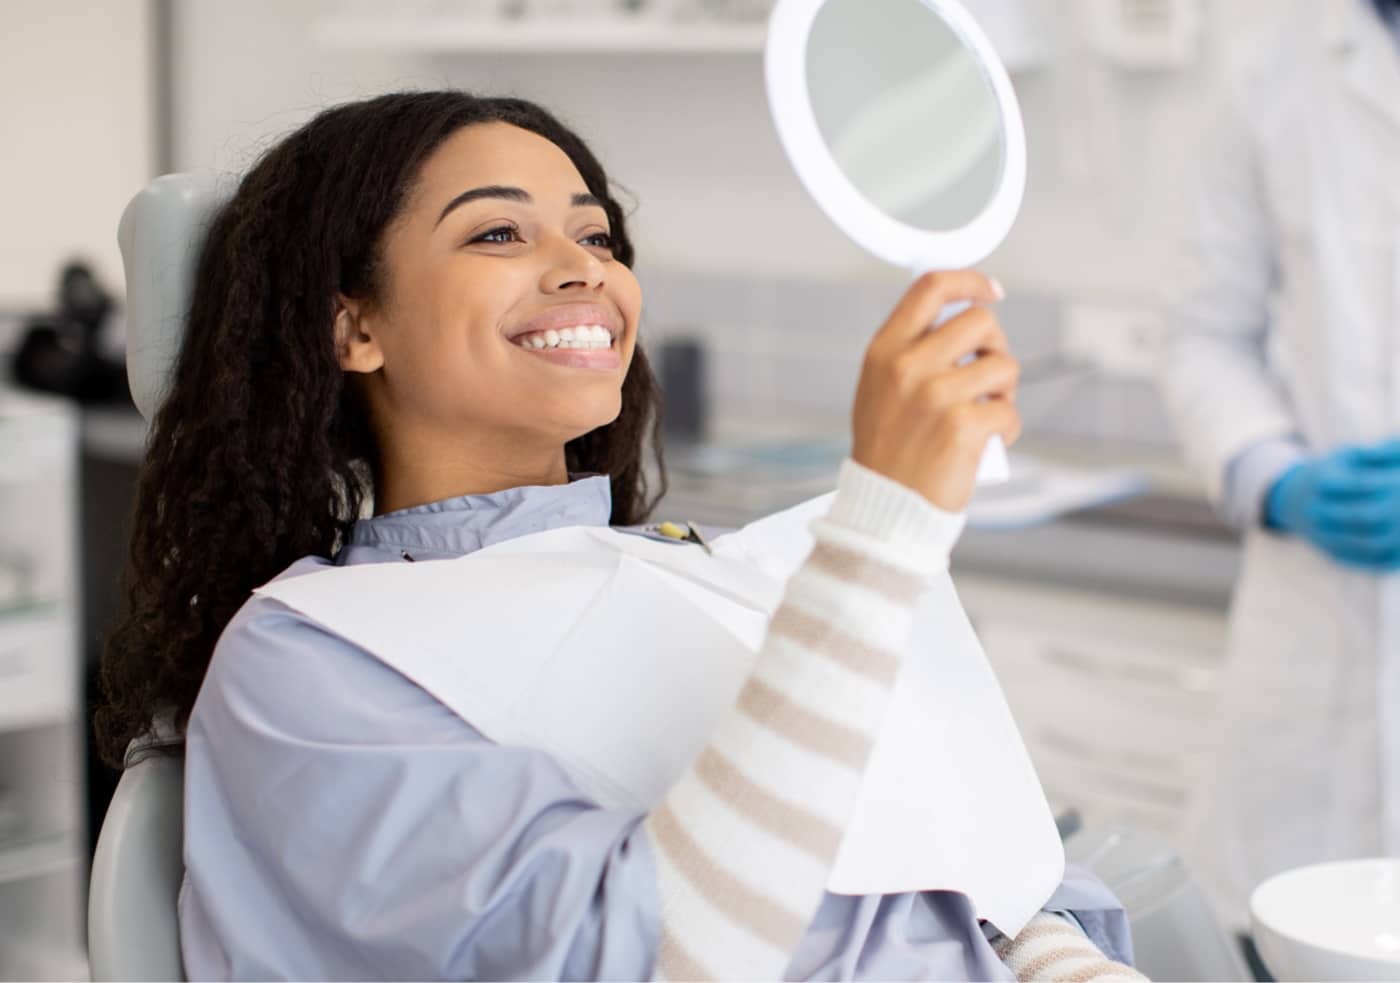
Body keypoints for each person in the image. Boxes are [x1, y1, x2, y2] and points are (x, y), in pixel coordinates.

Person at [98, 90, 1141, 981]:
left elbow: (978, 867)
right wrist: (879, 534)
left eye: (595, 237)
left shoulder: (700, 565)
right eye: (497, 234)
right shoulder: (308, 659)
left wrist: (1065, 960)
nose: (581, 269)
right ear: (354, 326)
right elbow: (645, 957)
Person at [1158, 0, 1400, 940]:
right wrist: (1276, 478)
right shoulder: (1268, 68)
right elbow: (1202, 332)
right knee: (1276, 936)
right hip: (1311, 630)